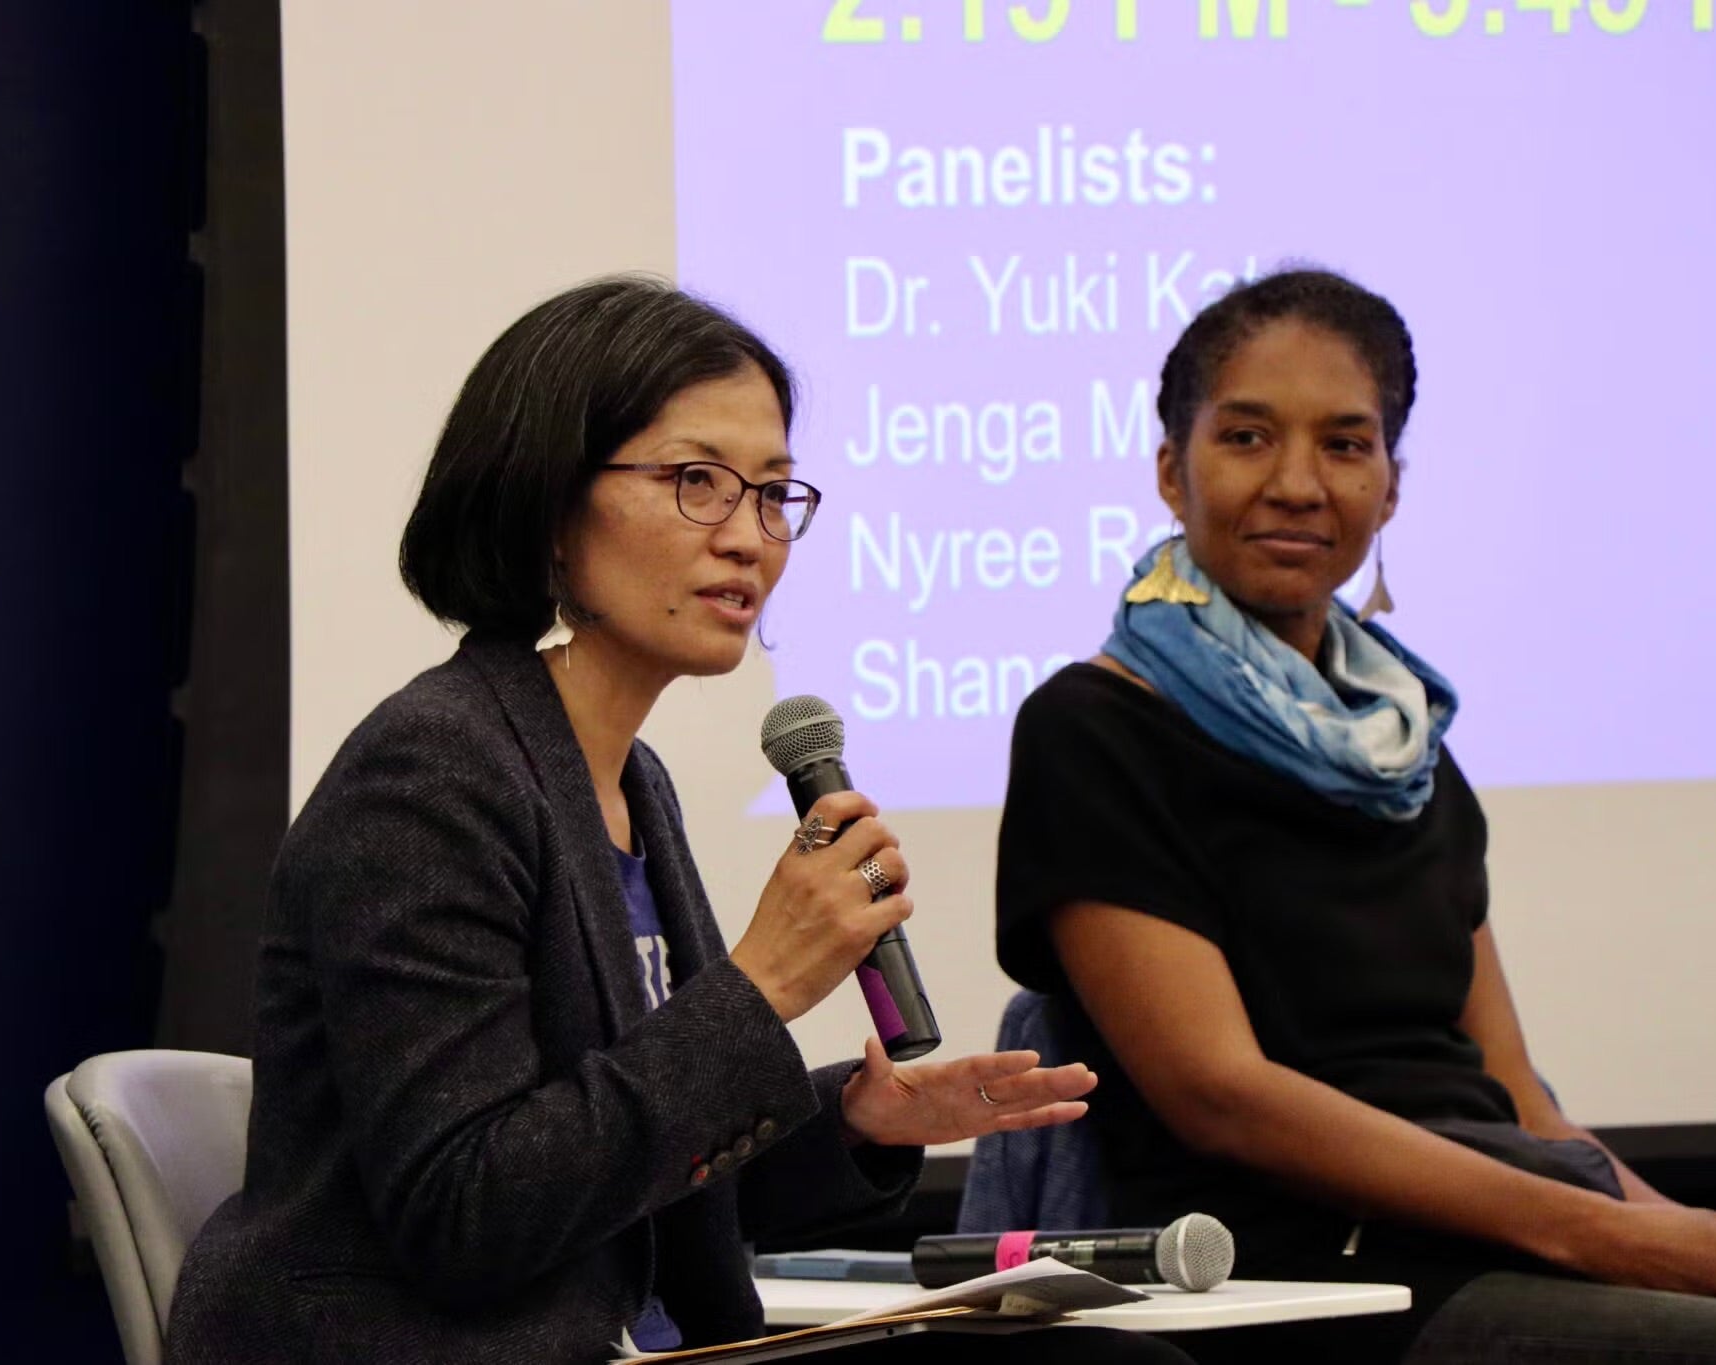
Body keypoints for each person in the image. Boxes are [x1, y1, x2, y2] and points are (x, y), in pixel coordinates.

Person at [165, 277, 1195, 1364]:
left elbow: (633, 1175)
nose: (749, 537)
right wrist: (763, 983)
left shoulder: (630, 781)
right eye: (696, 481)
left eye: (773, 493)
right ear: (548, 498)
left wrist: (856, 1120)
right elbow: (470, 1212)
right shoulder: (430, 776)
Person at [993, 268, 1716, 1362]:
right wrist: (1609, 1238)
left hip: (1495, 1236)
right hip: (1294, 1280)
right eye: (1246, 437)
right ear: (1169, 470)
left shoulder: (1409, 752)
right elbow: (1218, 1095)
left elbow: (1520, 1103)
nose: (1298, 483)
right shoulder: (1094, 728)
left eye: (1345, 444)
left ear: (1389, 488)